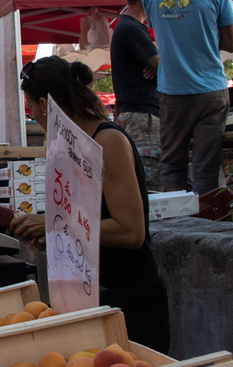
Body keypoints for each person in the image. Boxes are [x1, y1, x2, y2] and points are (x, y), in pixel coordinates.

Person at [10, 58, 170, 350]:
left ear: (46, 104)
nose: (33, 116)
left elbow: (131, 232)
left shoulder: (107, 142)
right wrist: (53, 234)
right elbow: (84, 225)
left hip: (132, 306)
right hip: (95, 302)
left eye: (32, 108)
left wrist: (53, 226)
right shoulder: (70, 145)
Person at [137, 0, 233, 196]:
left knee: (173, 167)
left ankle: (177, 227)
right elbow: (231, 43)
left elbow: (163, 32)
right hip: (211, 92)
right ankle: (205, 228)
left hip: (172, 92)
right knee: (206, 169)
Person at [110, 0, 163, 193]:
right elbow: (164, 68)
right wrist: (161, 65)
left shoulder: (130, 28)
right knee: (150, 184)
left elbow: (159, 66)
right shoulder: (132, 29)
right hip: (143, 117)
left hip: (140, 115)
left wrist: (159, 64)